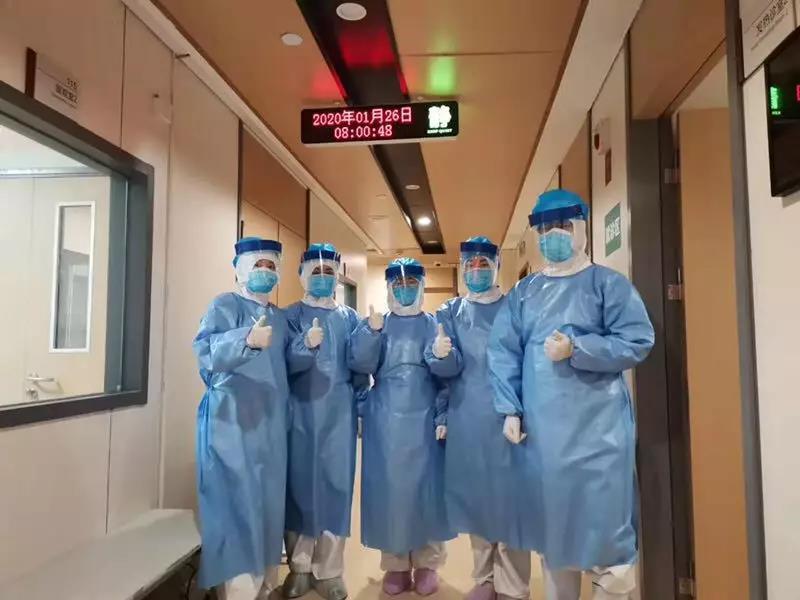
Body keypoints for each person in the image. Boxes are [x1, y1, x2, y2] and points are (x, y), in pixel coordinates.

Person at [488, 190, 655, 600]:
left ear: (581, 228)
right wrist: (510, 409)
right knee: (557, 536)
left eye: (562, 226)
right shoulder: (525, 293)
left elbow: (637, 340)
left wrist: (579, 348)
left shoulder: (607, 285)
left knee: (607, 534)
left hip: (600, 434)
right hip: (545, 437)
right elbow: (503, 351)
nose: (553, 235)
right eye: (545, 228)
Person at [193, 237, 315, 600]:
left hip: (271, 427)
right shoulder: (224, 305)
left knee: (267, 508)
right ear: (241, 268)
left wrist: (307, 347)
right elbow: (205, 352)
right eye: (258, 265)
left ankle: (265, 586)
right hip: (232, 425)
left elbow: (286, 365)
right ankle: (238, 593)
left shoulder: (279, 317)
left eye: (270, 266)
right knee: (236, 508)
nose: (265, 271)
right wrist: (244, 339)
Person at [427, 237, 532, 600]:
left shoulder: (514, 306)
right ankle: (485, 579)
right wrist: (440, 355)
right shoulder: (450, 312)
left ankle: (513, 585)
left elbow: (526, 362)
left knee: (510, 503)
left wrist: (520, 409)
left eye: (483, 264)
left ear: (496, 266)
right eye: (469, 264)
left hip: (509, 417)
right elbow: (445, 375)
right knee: (477, 502)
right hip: (467, 417)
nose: (476, 270)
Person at [349, 257, 453, 597]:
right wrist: (371, 333)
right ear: (389, 288)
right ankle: (395, 566)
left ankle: (427, 564)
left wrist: (443, 415)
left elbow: (447, 377)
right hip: (386, 422)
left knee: (427, 494)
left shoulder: (435, 325)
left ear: (422, 286)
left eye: (411, 284)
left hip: (426, 420)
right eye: (399, 284)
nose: (405, 290)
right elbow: (359, 364)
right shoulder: (377, 324)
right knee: (391, 495)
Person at [283, 243, 365, 600]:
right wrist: (303, 345)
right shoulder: (289, 316)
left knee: (335, 490)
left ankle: (329, 571)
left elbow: (361, 368)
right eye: (315, 272)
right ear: (302, 275)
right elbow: (281, 364)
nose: (322, 277)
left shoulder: (350, 319)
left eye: (328, 272)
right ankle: (299, 568)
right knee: (299, 489)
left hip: (339, 415)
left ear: (337, 277)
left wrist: (362, 408)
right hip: (298, 412)